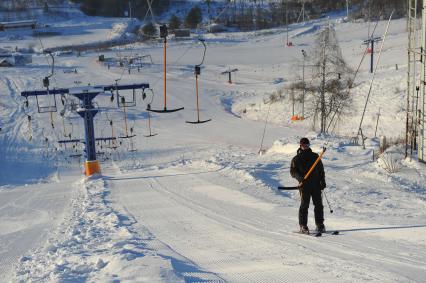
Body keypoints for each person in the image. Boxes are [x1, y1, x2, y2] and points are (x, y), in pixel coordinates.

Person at [290, 137, 326, 234]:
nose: (305, 147)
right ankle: (303, 226)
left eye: (307, 145)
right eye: (303, 145)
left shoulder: (315, 157)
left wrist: (322, 181)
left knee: (318, 205)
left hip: (316, 184)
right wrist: (300, 177)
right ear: (300, 146)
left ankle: (320, 224)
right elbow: (293, 172)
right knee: (304, 205)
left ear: (309, 145)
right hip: (304, 185)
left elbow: (321, 170)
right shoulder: (296, 159)